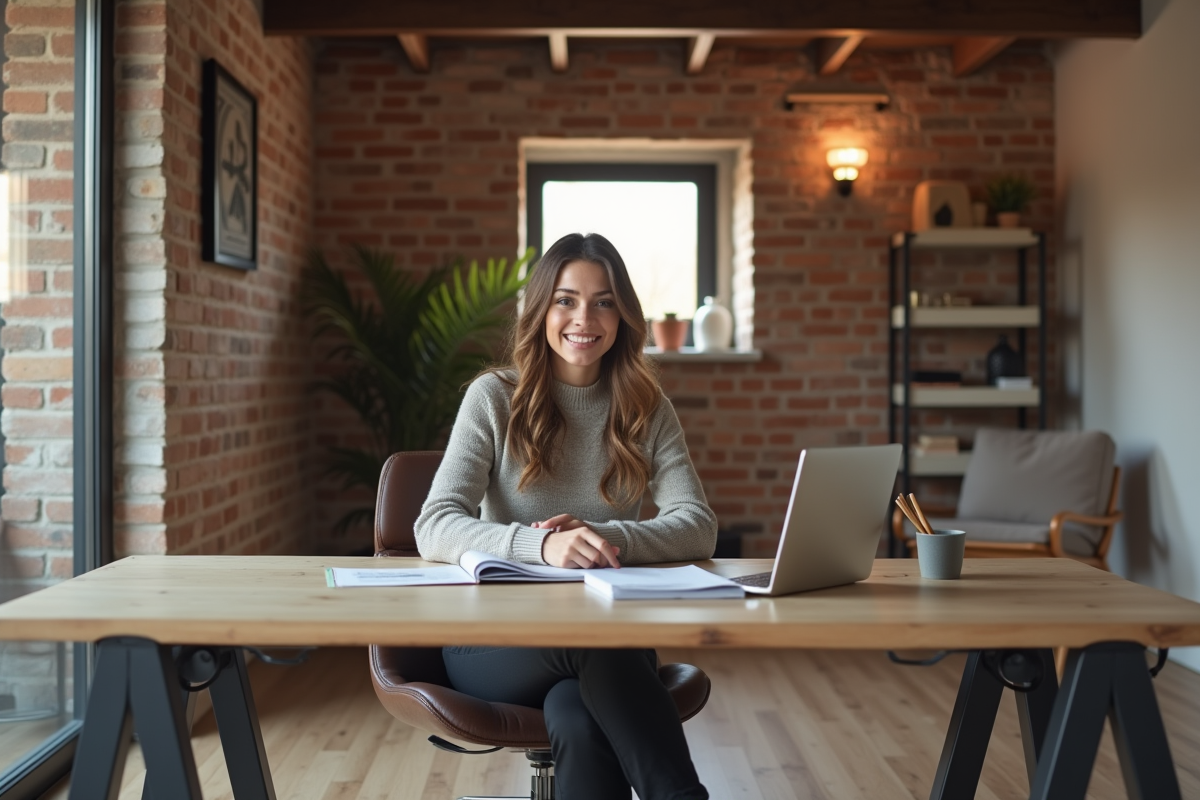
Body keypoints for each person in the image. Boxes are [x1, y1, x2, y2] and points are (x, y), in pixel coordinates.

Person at [415, 232, 717, 800]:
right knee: (599, 644)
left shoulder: (646, 410)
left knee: (576, 717)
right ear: (541, 310)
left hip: (608, 649)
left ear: (623, 314)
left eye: (604, 301)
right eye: (566, 299)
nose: (585, 317)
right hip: (493, 645)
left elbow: (698, 523)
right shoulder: (493, 397)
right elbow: (434, 522)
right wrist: (541, 548)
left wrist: (602, 536)